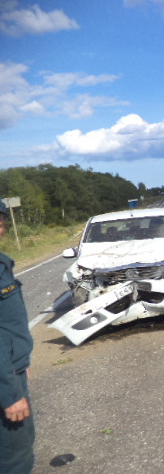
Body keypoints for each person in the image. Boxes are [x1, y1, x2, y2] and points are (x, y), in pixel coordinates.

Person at [0, 199, 35, 474]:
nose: (0, 225)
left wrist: (21, 359)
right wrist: (10, 393)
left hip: (10, 370)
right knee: (15, 457)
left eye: (0, 218)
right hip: (4, 383)